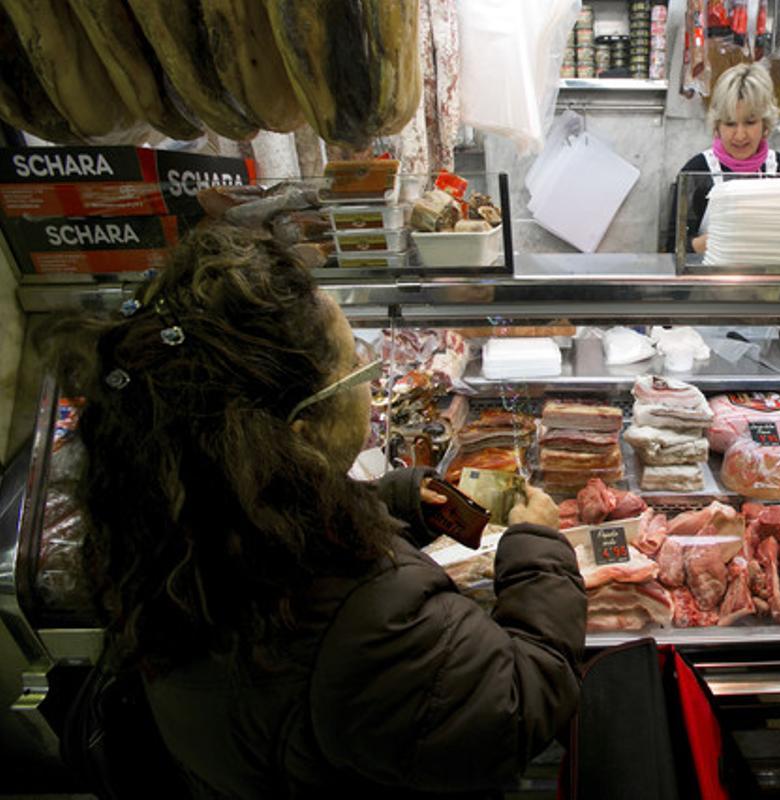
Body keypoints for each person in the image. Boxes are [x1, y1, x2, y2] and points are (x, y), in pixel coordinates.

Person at [50, 225, 587, 798]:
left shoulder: (178, 518)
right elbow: (515, 708)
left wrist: (391, 503)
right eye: (356, 363)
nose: (368, 376)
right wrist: (537, 551)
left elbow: (282, 527)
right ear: (300, 435)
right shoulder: (369, 624)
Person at [666, 62, 780, 256]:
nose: (740, 135)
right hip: (709, 284)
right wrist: (712, 242)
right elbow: (671, 249)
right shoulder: (697, 171)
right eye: (730, 124)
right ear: (717, 126)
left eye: (750, 122)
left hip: (770, 283)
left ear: (765, 123)